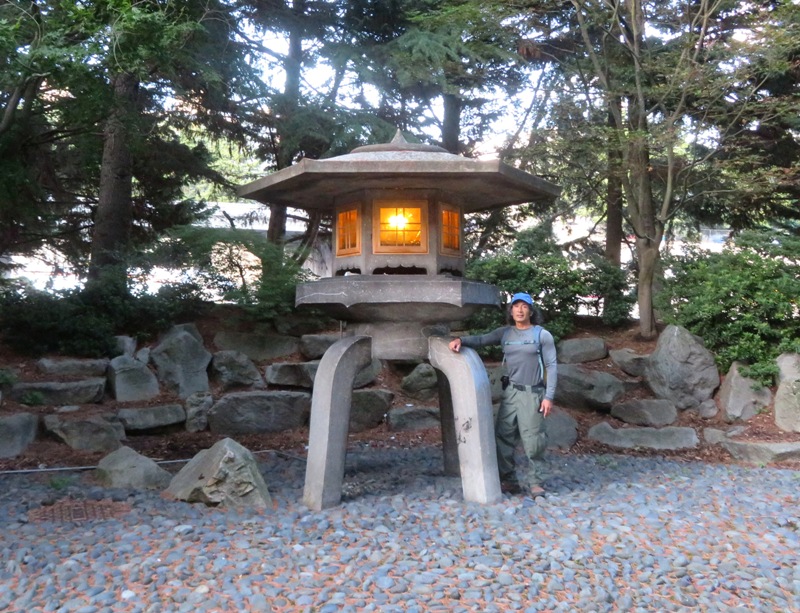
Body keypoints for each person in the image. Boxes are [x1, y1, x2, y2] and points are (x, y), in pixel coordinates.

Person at [448, 292, 557, 497]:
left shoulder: (542, 335)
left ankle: (536, 482)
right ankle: (509, 480)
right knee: (503, 438)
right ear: (511, 310)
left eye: (524, 306)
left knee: (534, 441)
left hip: (533, 393)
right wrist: (460, 340)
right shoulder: (505, 333)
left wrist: (548, 397)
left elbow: (551, 365)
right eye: (516, 306)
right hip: (510, 394)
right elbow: (481, 339)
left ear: (531, 311)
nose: (519, 310)